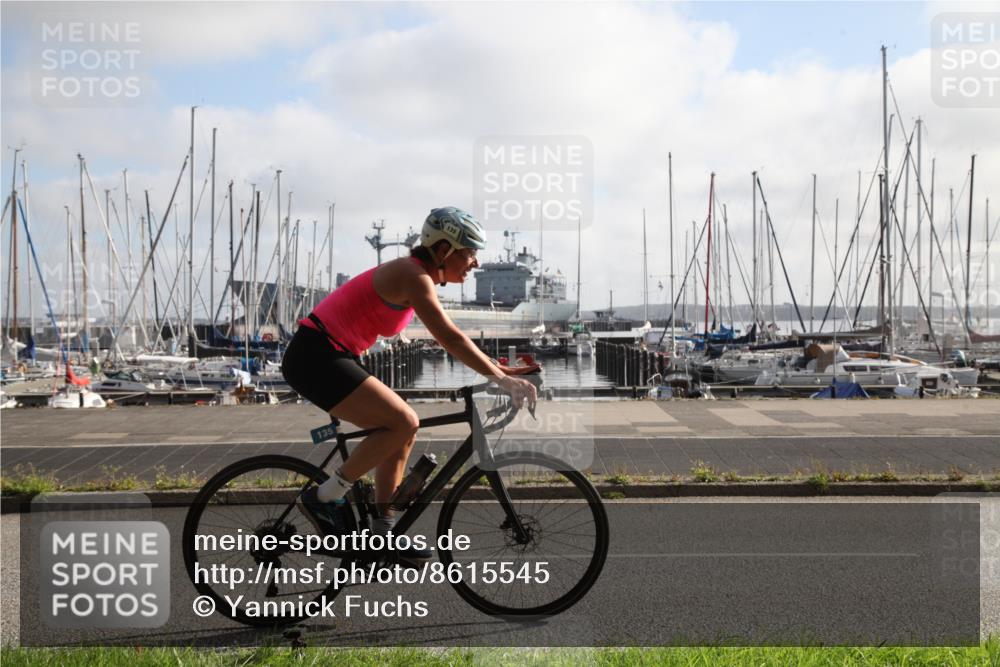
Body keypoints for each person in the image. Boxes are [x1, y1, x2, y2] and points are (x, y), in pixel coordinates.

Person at [281, 206, 538, 558]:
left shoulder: (417, 275)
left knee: (403, 428)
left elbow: (451, 336)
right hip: (316, 356)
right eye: (470, 252)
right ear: (444, 250)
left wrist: (499, 369)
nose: (475, 262)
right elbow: (449, 336)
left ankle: (381, 530)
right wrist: (499, 379)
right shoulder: (413, 276)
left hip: (332, 354)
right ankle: (324, 497)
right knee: (403, 421)